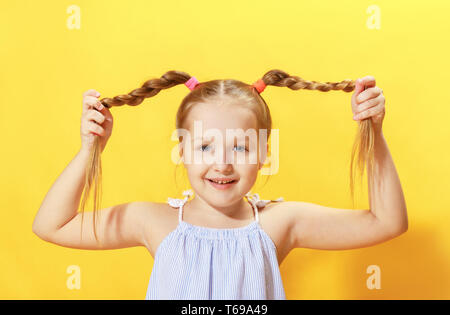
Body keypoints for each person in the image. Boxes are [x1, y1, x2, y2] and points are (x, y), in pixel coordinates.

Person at [32, 70, 408, 300]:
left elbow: (387, 222)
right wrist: (89, 150)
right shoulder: (155, 223)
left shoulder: (278, 223)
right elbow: (52, 225)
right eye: (206, 145)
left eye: (241, 147)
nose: (222, 162)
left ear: (264, 153)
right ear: (181, 150)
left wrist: (374, 130)